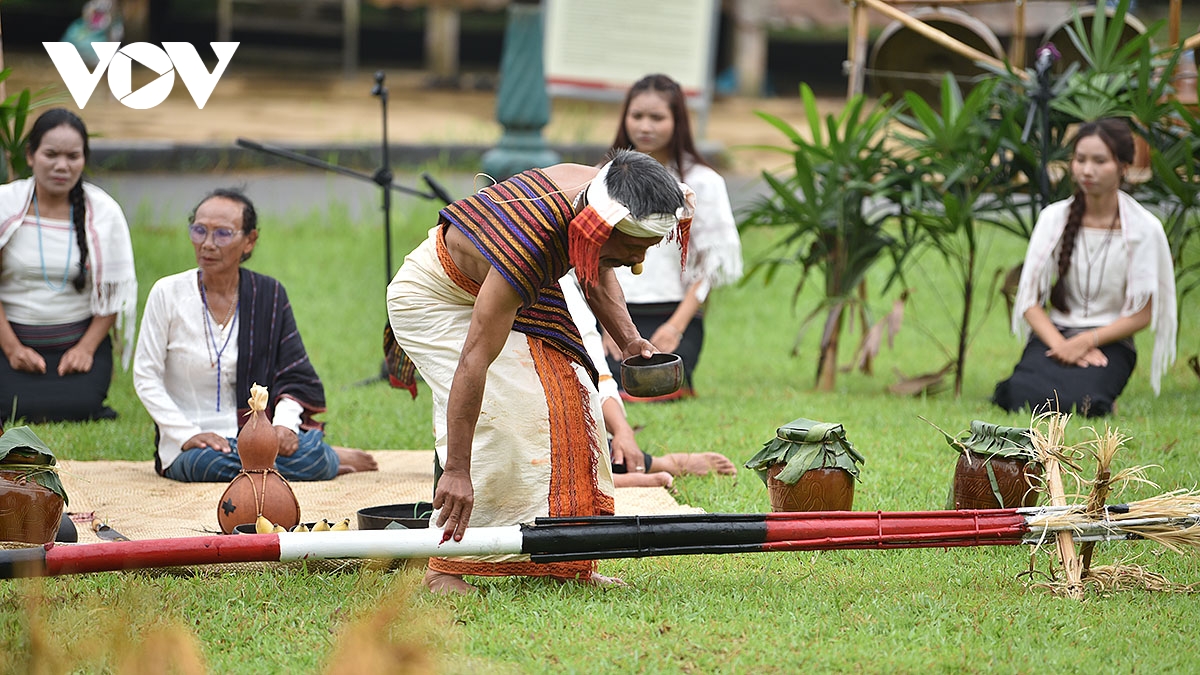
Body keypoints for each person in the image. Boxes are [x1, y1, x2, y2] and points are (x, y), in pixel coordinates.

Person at [387, 149, 694, 594]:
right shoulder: (530, 245)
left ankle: (568, 560)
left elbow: (595, 268)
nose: (636, 262)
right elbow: (474, 360)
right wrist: (455, 469)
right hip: (433, 300)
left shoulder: (596, 194)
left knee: (577, 399)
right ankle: (446, 567)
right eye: (634, 249)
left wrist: (629, 341)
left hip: (495, 284)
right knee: (504, 412)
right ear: (602, 230)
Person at [133, 188, 377, 482]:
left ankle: (307, 457)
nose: (207, 244)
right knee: (206, 465)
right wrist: (187, 434)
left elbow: (294, 376)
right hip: (193, 446)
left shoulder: (269, 294)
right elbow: (146, 376)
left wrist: (284, 427)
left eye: (222, 233)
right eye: (199, 231)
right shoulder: (167, 293)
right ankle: (324, 457)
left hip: (260, 437)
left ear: (250, 240)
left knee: (296, 457)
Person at [993, 118, 1176, 417]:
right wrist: (1063, 345)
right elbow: (1029, 302)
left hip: (1110, 342)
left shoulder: (1144, 228)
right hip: (1055, 335)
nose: (1087, 170)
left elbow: (1143, 313)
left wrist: (1086, 341)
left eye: (1099, 161)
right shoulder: (1053, 219)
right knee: (1019, 396)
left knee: (1086, 404)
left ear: (1123, 166)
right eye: (1080, 160)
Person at [602, 74, 743, 401]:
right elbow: (588, 259)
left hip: (672, 314)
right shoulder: (603, 176)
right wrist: (608, 326)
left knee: (660, 386)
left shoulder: (703, 181)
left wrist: (676, 327)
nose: (645, 127)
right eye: (637, 116)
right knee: (606, 384)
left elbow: (711, 264)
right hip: (614, 311)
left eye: (657, 117)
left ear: (677, 121)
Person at [0, 108, 137, 423]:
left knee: (80, 406)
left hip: (77, 345)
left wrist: (86, 349)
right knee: (10, 407)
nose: (62, 165)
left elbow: (111, 294)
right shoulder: (4, 204)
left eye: (73, 156)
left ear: (84, 160)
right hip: (10, 340)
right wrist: (12, 349)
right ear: (31, 155)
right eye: (51, 154)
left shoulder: (104, 212)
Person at [560, 271, 736, 487]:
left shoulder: (566, 288)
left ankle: (648, 464)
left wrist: (623, 431)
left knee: (592, 442)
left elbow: (596, 377)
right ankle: (623, 479)